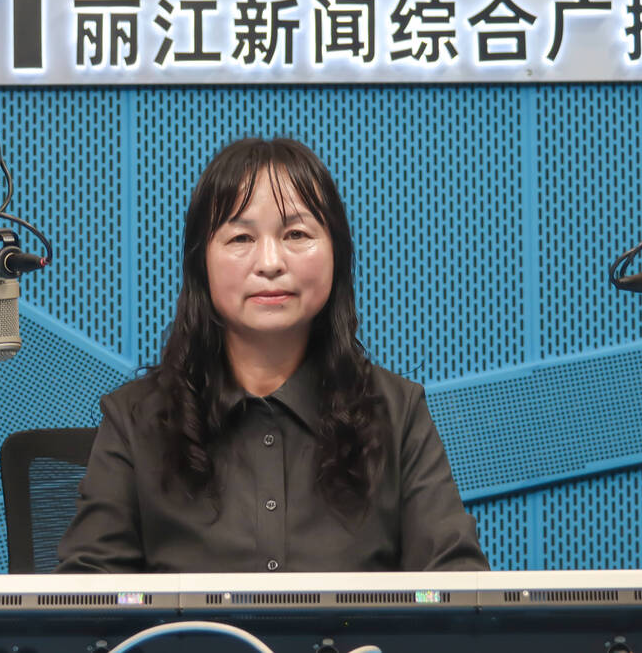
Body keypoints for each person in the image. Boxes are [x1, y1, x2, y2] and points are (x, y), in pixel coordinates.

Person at [56, 137, 487, 573]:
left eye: (296, 234)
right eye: (241, 237)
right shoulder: (135, 420)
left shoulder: (397, 413)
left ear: (336, 253)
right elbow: (87, 598)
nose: (269, 262)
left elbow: (458, 584)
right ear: (201, 263)